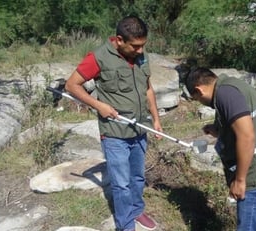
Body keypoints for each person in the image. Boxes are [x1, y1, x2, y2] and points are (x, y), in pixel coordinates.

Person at [65, 16, 161, 231]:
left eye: (143, 46)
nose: (140, 51)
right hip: (115, 132)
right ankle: (125, 224)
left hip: (139, 128)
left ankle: (137, 211)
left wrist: (155, 118)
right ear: (119, 40)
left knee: (137, 177)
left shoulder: (140, 56)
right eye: (135, 46)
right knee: (121, 184)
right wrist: (98, 105)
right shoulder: (98, 58)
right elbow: (72, 85)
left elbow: (147, 88)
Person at [185, 67, 256, 231]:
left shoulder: (225, 94)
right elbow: (242, 124)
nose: (200, 102)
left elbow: (247, 137)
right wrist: (219, 130)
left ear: (198, 90)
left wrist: (240, 180)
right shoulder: (230, 86)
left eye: (196, 99)